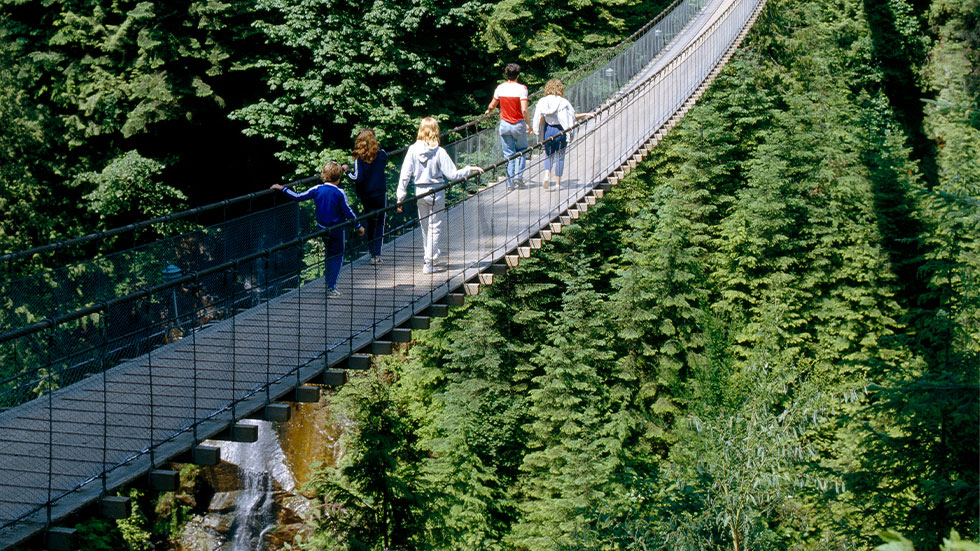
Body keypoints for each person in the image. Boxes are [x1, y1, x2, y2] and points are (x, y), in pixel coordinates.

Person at [397, 117, 484, 274]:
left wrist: (400, 197)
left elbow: (405, 174)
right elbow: (452, 175)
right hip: (436, 192)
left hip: (420, 192)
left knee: (425, 228)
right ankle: (429, 262)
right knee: (434, 228)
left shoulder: (412, 150)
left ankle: (430, 258)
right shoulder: (439, 151)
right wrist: (468, 169)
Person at [271, 162, 364, 297]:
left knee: (329, 254)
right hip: (337, 230)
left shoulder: (317, 189)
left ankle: (328, 281)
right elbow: (348, 212)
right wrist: (358, 226)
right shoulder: (339, 192)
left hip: (322, 229)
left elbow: (298, 197)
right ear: (339, 178)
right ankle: (331, 287)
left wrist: (282, 188)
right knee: (337, 256)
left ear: (323, 175)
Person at [532, 78, 593, 191]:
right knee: (560, 157)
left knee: (548, 155)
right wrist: (585, 114)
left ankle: (546, 175)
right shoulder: (564, 102)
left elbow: (539, 118)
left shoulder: (542, 101)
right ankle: (558, 184)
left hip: (548, 130)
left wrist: (535, 130)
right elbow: (572, 116)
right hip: (561, 131)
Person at [484, 63, 533, 189]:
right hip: (518, 124)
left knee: (508, 155)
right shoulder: (522, 89)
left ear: (506, 75)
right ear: (518, 75)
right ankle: (518, 177)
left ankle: (509, 183)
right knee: (522, 150)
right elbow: (524, 110)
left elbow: (492, 105)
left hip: (504, 125)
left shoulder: (500, 88)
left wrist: (488, 112)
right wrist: (528, 124)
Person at [343, 129, 388, 264]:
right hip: (380, 192)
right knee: (380, 222)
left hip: (366, 195)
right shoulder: (382, 154)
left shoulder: (359, 160)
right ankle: (377, 254)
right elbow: (384, 164)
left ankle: (371, 251)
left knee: (370, 221)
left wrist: (347, 171)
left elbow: (357, 178)